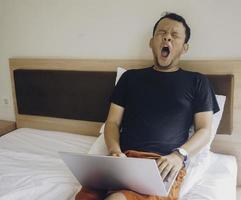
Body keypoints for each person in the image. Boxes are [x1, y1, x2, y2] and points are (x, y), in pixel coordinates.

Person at [76, 12, 219, 200]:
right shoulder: (130, 78)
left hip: (161, 164)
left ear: (185, 48)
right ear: (151, 42)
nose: (167, 37)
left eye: (174, 35)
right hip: (121, 159)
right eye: (162, 32)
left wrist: (179, 156)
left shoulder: (197, 81)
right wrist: (115, 152)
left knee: (118, 199)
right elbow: (112, 123)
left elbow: (204, 130)